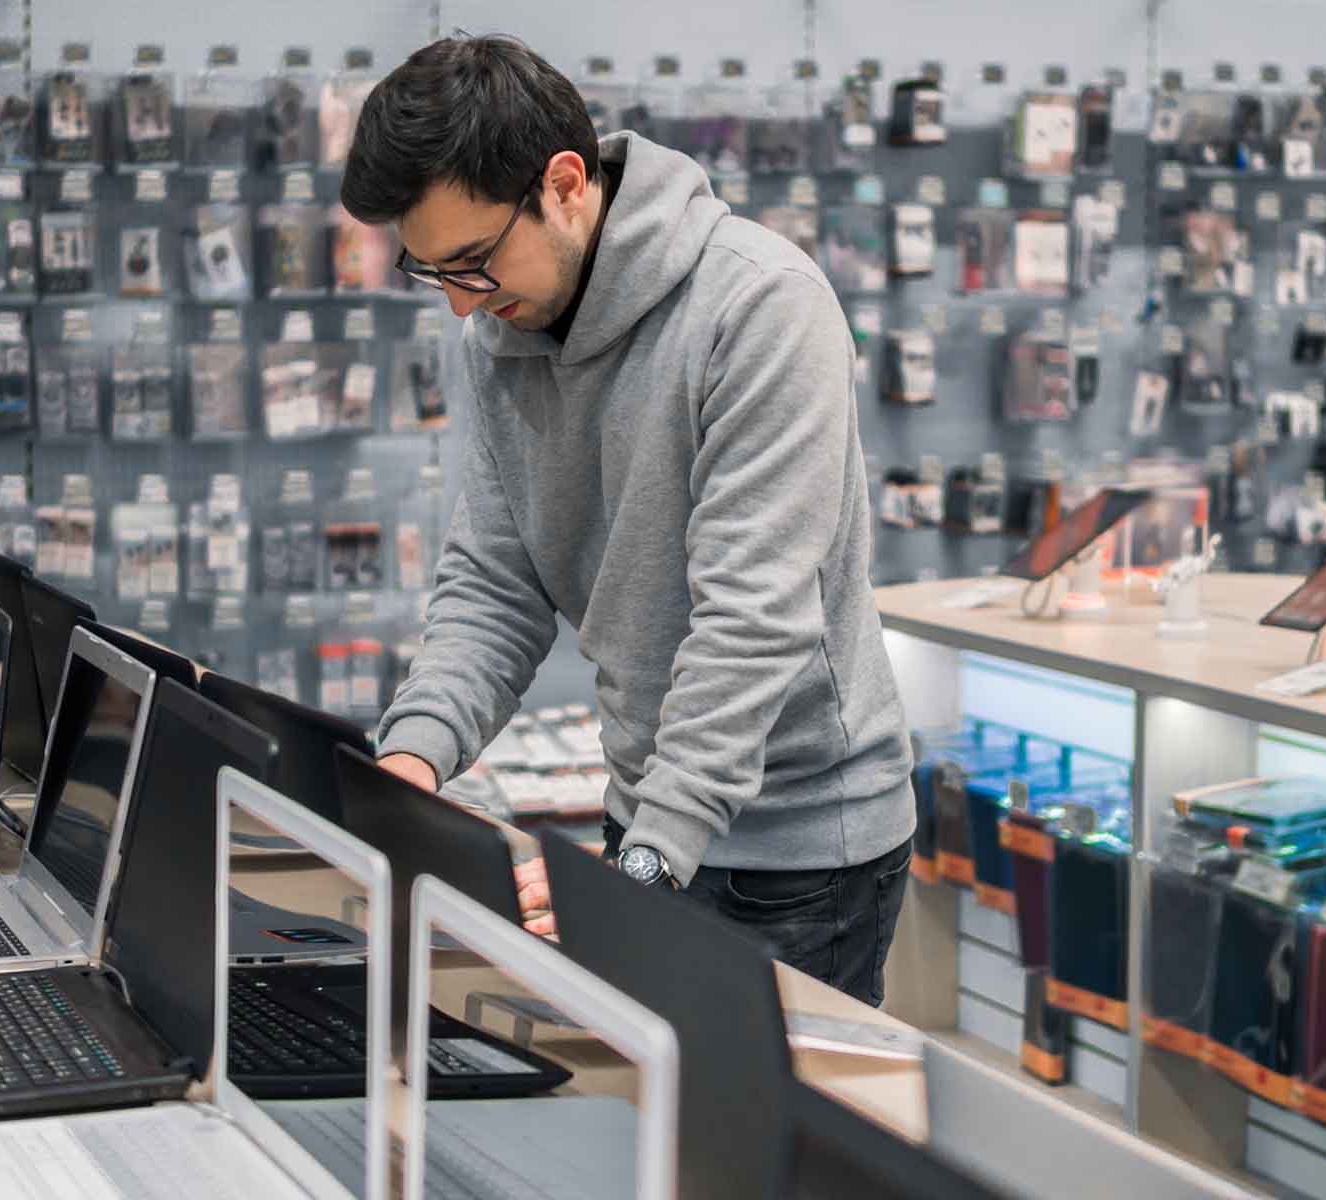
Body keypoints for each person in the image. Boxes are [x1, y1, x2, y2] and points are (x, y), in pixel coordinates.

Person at [340, 34, 915, 1005]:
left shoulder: (759, 308)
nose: (456, 306)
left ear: (565, 184)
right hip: (644, 823)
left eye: (471, 263)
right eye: (428, 271)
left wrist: (643, 870)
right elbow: (492, 584)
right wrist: (411, 760)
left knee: (754, 1156)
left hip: (802, 854)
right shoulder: (497, 335)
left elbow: (751, 620)